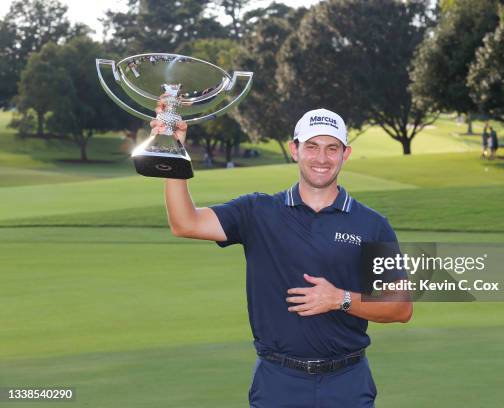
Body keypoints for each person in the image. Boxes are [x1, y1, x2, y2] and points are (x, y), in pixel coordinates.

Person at [155, 106, 413, 407]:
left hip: (347, 383)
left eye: (332, 149)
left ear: (346, 154)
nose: (321, 158)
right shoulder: (257, 212)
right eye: (312, 147)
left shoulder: (372, 225)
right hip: (279, 382)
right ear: (295, 150)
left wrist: (340, 298)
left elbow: (401, 307)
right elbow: (185, 223)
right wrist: (172, 151)